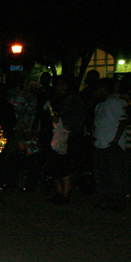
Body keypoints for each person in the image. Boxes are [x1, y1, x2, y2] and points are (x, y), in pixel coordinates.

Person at [91, 78, 130, 210]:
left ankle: (118, 202)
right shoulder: (99, 105)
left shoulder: (115, 102)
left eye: (97, 89)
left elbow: (122, 121)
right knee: (101, 175)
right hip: (100, 145)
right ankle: (105, 200)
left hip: (113, 145)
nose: (95, 92)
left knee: (116, 175)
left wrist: (115, 141)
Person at [47, 75, 85, 204]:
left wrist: (61, 121)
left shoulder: (73, 99)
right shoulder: (56, 99)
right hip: (56, 135)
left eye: (61, 83)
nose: (58, 86)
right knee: (55, 165)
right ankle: (59, 192)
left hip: (68, 136)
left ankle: (65, 194)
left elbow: (75, 119)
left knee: (66, 165)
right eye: (56, 84)